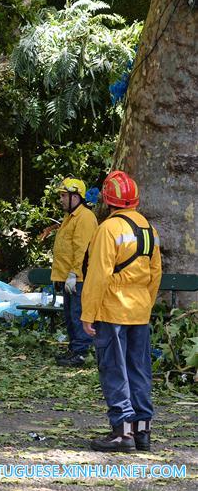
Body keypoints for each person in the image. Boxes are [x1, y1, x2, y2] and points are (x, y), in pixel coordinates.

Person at [81, 171, 161, 453]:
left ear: (107, 198)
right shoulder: (149, 230)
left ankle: (121, 433)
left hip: (112, 312)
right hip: (139, 312)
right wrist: (145, 305)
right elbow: (155, 273)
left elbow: (98, 276)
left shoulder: (108, 229)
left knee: (115, 370)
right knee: (139, 370)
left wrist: (88, 313)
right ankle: (142, 432)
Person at [51, 178, 99, 367]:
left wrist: (74, 274)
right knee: (71, 315)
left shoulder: (85, 218)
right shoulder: (70, 217)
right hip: (68, 277)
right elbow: (65, 249)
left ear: (76, 196)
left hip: (78, 278)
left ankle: (80, 353)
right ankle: (74, 349)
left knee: (78, 314)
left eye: (64, 195)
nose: (61, 199)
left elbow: (82, 250)